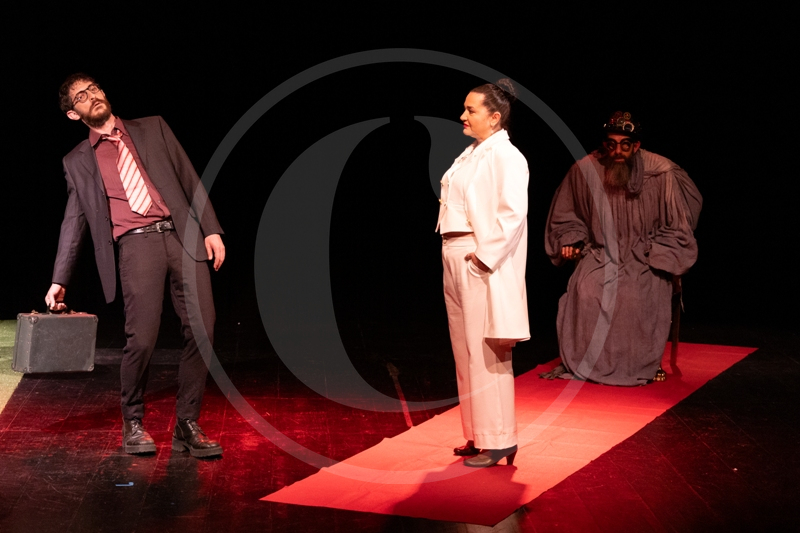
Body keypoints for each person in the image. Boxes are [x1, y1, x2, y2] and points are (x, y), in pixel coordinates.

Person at [44, 73, 226, 457]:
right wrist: (60, 279)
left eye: (93, 88)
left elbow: (188, 176)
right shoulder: (77, 161)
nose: (91, 96)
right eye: (81, 96)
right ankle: (133, 420)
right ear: (73, 114)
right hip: (137, 245)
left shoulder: (153, 127)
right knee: (142, 339)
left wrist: (211, 229)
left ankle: (187, 423)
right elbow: (74, 222)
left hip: (181, 236)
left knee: (202, 330)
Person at [543, 111, 702, 386]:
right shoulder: (586, 169)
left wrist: (660, 250)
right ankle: (591, 363)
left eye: (624, 145)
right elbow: (566, 215)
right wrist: (571, 239)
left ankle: (640, 362)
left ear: (636, 145)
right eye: (611, 144)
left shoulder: (661, 171)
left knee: (634, 295)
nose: (617, 151)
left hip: (646, 254)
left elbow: (680, 222)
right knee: (587, 290)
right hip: (601, 253)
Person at [436, 80, 530, 467]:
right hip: (454, 252)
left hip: (477, 258)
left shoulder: (507, 156)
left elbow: (513, 213)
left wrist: (482, 259)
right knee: (465, 351)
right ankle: (478, 433)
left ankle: (500, 439)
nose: (463, 115)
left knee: (486, 351)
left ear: (494, 118)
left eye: (471, 110)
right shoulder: (473, 152)